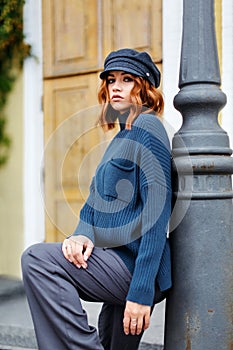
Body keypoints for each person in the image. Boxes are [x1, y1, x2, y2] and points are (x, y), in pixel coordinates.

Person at [21, 48, 172, 350]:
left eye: (127, 79)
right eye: (111, 79)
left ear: (143, 87)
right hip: (114, 260)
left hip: (133, 267)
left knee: (37, 260)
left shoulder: (148, 127)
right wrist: (80, 234)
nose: (116, 86)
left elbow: (157, 213)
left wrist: (141, 292)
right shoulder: (120, 138)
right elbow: (95, 203)